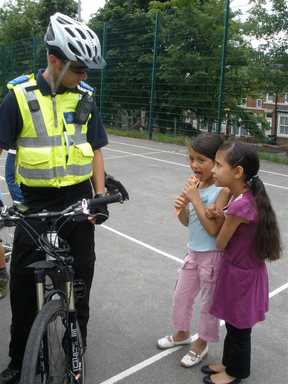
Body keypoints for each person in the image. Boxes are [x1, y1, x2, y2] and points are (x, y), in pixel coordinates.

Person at [0, 12, 108, 384]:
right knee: (22, 285)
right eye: (79, 69)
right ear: (54, 61)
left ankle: (78, 348)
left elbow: (95, 149)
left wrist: (100, 195)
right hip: (35, 200)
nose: (85, 77)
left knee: (81, 279)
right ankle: (19, 359)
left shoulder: (86, 97)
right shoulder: (18, 97)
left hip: (77, 199)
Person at [201, 142, 281, 384]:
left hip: (241, 276)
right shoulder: (244, 197)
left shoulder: (239, 204)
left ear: (237, 172)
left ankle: (236, 373)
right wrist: (224, 216)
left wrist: (215, 217)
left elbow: (220, 242)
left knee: (239, 329)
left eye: (218, 164)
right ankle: (228, 363)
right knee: (234, 324)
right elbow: (238, 224)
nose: (213, 170)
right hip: (241, 272)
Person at [157, 133, 230, 368]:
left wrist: (194, 199)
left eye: (201, 160)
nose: (194, 165)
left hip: (212, 258)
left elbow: (212, 230)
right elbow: (190, 222)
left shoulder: (222, 191)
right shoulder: (196, 184)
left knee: (209, 305)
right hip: (193, 252)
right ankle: (182, 334)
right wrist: (181, 210)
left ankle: (202, 343)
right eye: (191, 159)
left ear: (216, 162)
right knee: (181, 295)